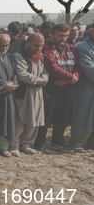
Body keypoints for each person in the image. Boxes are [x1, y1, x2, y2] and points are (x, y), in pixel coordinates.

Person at [34, 23, 82, 153]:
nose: (64, 38)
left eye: (66, 35)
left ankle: (58, 142)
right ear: (52, 35)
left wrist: (73, 78)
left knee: (63, 117)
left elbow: (78, 65)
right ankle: (39, 143)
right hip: (51, 88)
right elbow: (52, 67)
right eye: (61, 35)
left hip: (67, 88)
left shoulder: (71, 48)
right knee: (45, 117)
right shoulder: (46, 48)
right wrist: (71, 78)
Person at [11, 33, 48, 155]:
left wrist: (45, 77)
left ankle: (26, 144)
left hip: (37, 92)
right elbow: (22, 74)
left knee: (34, 118)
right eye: (35, 45)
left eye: (41, 45)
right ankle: (14, 145)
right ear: (27, 43)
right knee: (19, 120)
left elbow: (45, 71)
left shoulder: (41, 56)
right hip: (24, 92)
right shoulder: (19, 55)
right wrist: (40, 81)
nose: (38, 48)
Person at [70, 25, 94, 151]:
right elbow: (88, 69)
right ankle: (76, 142)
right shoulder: (82, 47)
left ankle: (92, 142)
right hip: (86, 88)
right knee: (82, 115)